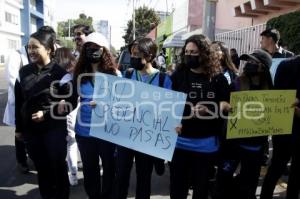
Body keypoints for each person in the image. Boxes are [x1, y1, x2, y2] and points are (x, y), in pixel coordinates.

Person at [170, 34, 230, 199]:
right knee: (177, 189)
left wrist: (210, 108)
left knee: (201, 189)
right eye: (187, 52)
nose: (189, 55)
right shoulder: (178, 75)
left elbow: (226, 106)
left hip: (206, 145)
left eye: (194, 52)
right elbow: (166, 104)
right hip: (179, 143)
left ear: (204, 53)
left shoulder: (218, 79)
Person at [15, 28, 72, 199]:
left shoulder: (61, 74)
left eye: (35, 47)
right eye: (29, 47)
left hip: (54, 130)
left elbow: (71, 102)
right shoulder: (23, 72)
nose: (31, 51)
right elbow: (19, 103)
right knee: (42, 169)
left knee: (58, 168)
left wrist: (47, 114)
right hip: (31, 131)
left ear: (48, 49)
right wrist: (19, 129)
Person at [114, 37, 172, 199]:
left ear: (150, 56)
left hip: (147, 137)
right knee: (121, 176)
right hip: (126, 136)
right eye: (132, 54)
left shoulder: (163, 79)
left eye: (137, 55)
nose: (133, 58)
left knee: (144, 178)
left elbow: (168, 110)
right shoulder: (127, 75)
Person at [215, 49, 273, 199]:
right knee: (223, 181)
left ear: (263, 68)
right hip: (233, 144)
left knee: (248, 186)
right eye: (248, 61)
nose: (248, 64)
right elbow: (222, 102)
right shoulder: (237, 83)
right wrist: (225, 106)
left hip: (255, 146)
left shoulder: (272, 91)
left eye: (253, 62)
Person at [72, 32, 117, 199]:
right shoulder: (78, 74)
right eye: (89, 48)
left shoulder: (114, 74)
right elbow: (70, 99)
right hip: (84, 132)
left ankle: (107, 195)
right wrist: (63, 103)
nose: (93, 51)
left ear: (104, 50)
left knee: (110, 168)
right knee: (90, 170)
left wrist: (105, 103)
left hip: (107, 132)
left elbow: (120, 103)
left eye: (96, 48)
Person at [260, 55, 300, 199]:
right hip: (285, 127)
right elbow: (279, 97)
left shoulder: (286, 64)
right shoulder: (287, 66)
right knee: (278, 166)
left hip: (285, 128)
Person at [54, 47, 79, 186]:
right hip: (78, 107)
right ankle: (76, 172)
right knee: (76, 142)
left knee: (71, 143)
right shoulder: (75, 68)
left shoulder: (56, 71)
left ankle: (73, 175)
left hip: (66, 111)